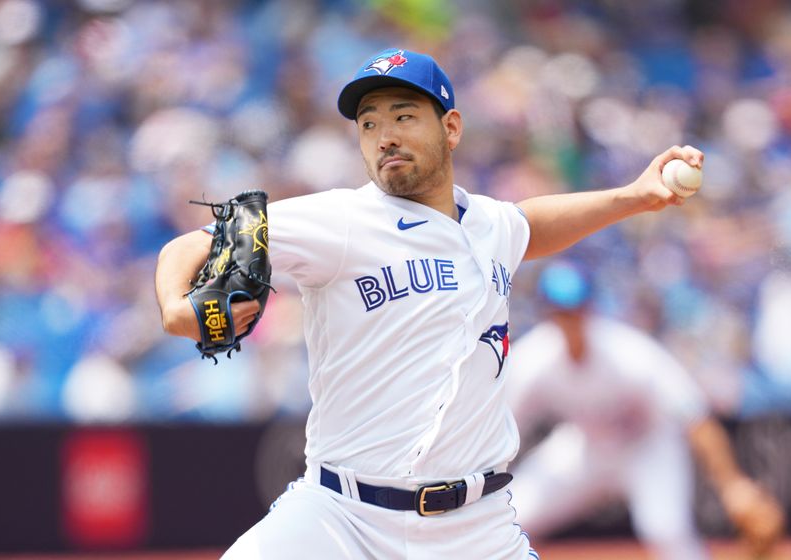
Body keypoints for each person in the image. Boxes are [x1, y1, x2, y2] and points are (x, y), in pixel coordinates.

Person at [155, 48, 702, 559]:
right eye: (368, 124)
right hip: (341, 519)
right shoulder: (340, 220)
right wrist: (186, 309)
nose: (384, 136)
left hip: (478, 528)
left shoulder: (491, 224)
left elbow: (532, 225)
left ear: (452, 128)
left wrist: (633, 197)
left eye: (403, 116)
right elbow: (193, 244)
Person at [506, 260, 785, 560]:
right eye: (562, 310)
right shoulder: (535, 359)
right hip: (587, 446)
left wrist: (733, 485)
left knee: (666, 531)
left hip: (648, 447)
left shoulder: (629, 352)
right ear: (548, 313)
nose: (571, 318)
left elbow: (695, 416)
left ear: (590, 307)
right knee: (511, 515)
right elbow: (503, 425)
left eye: (576, 308)